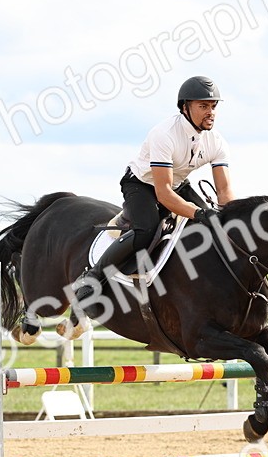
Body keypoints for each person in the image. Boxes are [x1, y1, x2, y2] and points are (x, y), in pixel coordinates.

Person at [71, 75, 234, 302]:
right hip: (142, 184)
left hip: (178, 184)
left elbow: (225, 191)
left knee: (216, 226)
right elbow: (163, 193)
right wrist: (199, 213)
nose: (211, 112)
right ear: (185, 107)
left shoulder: (216, 141)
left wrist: (229, 218)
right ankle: (93, 277)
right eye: (204, 106)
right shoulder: (164, 134)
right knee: (145, 230)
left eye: (214, 107)